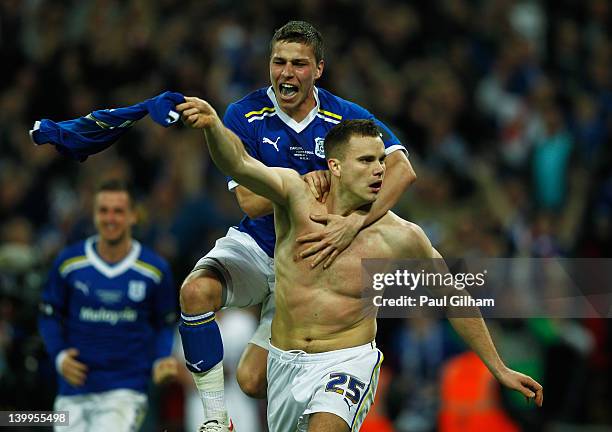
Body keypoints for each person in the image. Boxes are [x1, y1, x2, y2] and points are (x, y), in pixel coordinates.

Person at [177, 101, 544, 431]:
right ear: (334, 166)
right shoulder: (295, 196)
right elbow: (238, 165)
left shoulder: (400, 237)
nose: (379, 170)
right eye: (366, 161)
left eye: (382, 160)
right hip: (286, 363)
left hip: (348, 360)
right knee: (250, 378)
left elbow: (453, 297)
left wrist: (499, 368)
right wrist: (213, 127)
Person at [177, 21, 415, 431]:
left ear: (318, 69)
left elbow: (402, 170)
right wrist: (298, 184)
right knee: (196, 292)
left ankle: (328, 390)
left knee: (252, 379)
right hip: (259, 246)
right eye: (279, 62)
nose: (286, 72)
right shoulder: (244, 114)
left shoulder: (345, 116)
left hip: (310, 261)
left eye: (298, 64)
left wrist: (356, 221)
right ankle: (216, 420)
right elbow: (250, 201)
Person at [38, 179, 179, 432]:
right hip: (73, 390)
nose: (110, 218)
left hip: (125, 390)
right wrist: (59, 357)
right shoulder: (69, 262)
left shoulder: (154, 270)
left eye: (118, 211)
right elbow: (49, 315)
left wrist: (162, 358)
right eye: (103, 210)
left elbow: (165, 323)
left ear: (133, 216)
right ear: (94, 215)